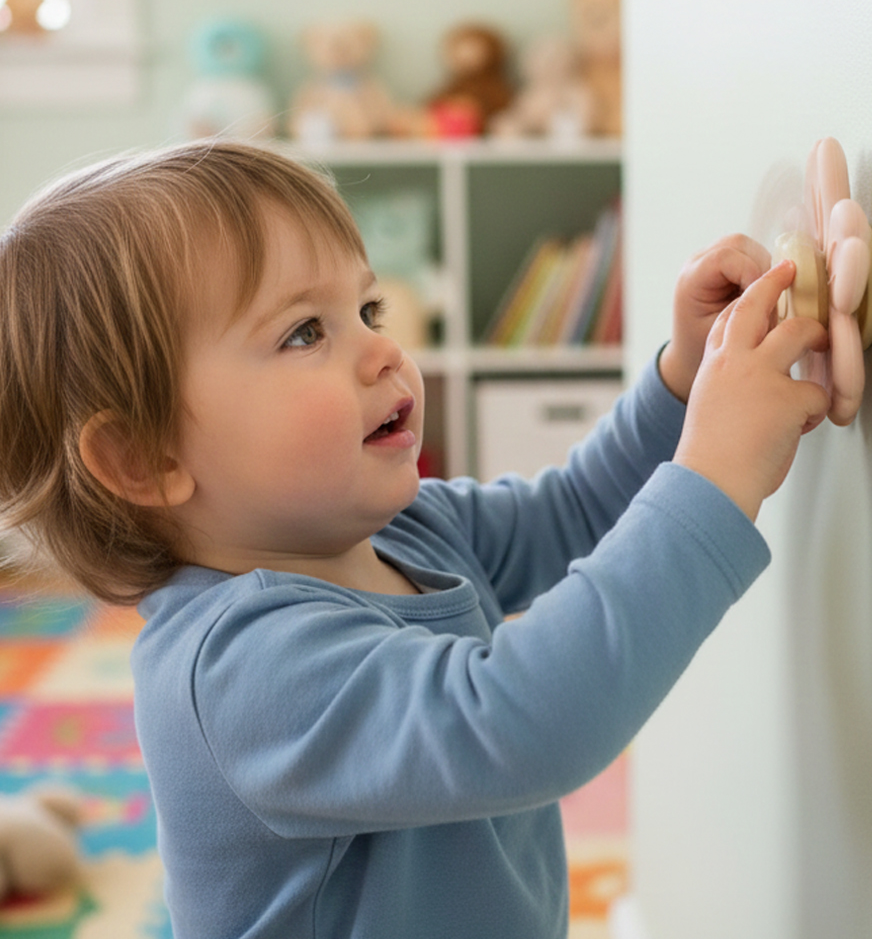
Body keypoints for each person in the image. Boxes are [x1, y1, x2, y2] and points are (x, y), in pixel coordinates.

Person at [0, 140, 829, 939]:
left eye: (367, 310)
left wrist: (685, 381)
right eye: (304, 333)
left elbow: (577, 509)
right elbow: (524, 724)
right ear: (144, 459)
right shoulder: (240, 673)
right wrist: (717, 472)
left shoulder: (406, 531)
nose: (383, 350)